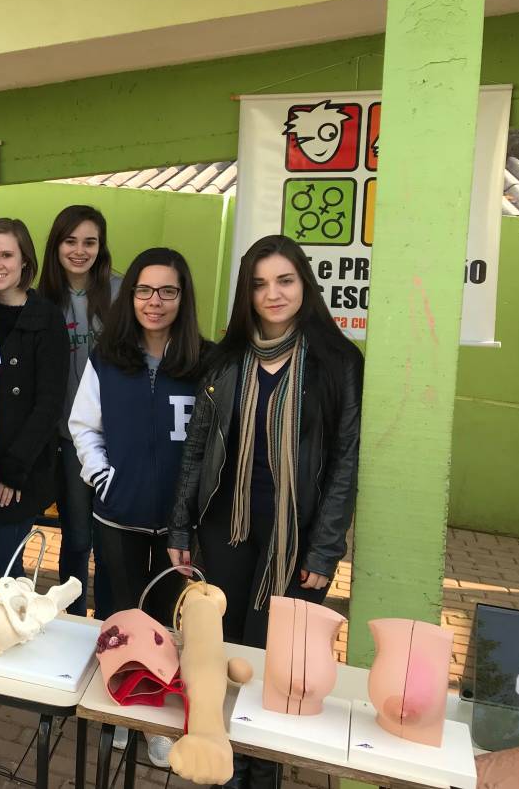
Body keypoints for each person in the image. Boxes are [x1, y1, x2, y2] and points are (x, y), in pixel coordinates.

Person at [168, 235, 363, 789]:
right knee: (222, 655)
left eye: (284, 281)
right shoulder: (224, 359)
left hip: (295, 539)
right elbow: (197, 450)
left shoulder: (337, 362)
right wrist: (180, 525)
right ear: (246, 294)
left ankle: (261, 773)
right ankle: (222, 767)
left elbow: (345, 462)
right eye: (259, 284)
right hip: (225, 527)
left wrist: (325, 550)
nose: (273, 294)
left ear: (304, 285)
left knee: (277, 667)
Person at [70, 247, 208, 625]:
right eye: (144, 290)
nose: (154, 302)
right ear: (130, 295)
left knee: (168, 624)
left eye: (168, 291)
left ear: (183, 297)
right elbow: (84, 426)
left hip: (181, 526)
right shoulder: (107, 359)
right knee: (118, 620)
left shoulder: (205, 363)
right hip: (118, 518)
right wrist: (104, 479)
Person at [0, 218, 67, 580]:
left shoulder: (46, 317)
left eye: (6, 255)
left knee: (4, 566)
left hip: (21, 467)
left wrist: (14, 469)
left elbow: (49, 403)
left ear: (25, 259)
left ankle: (15, 615)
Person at [38, 204, 122, 617]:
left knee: (110, 540)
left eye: (90, 242)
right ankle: (69, 621)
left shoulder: (122, 292)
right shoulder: (43, 301)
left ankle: (108, 623)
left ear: (101, 247)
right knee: (75, 538)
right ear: (56, 245)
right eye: (70, 241)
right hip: (68, 440)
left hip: (118, 439)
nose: (79, 250)